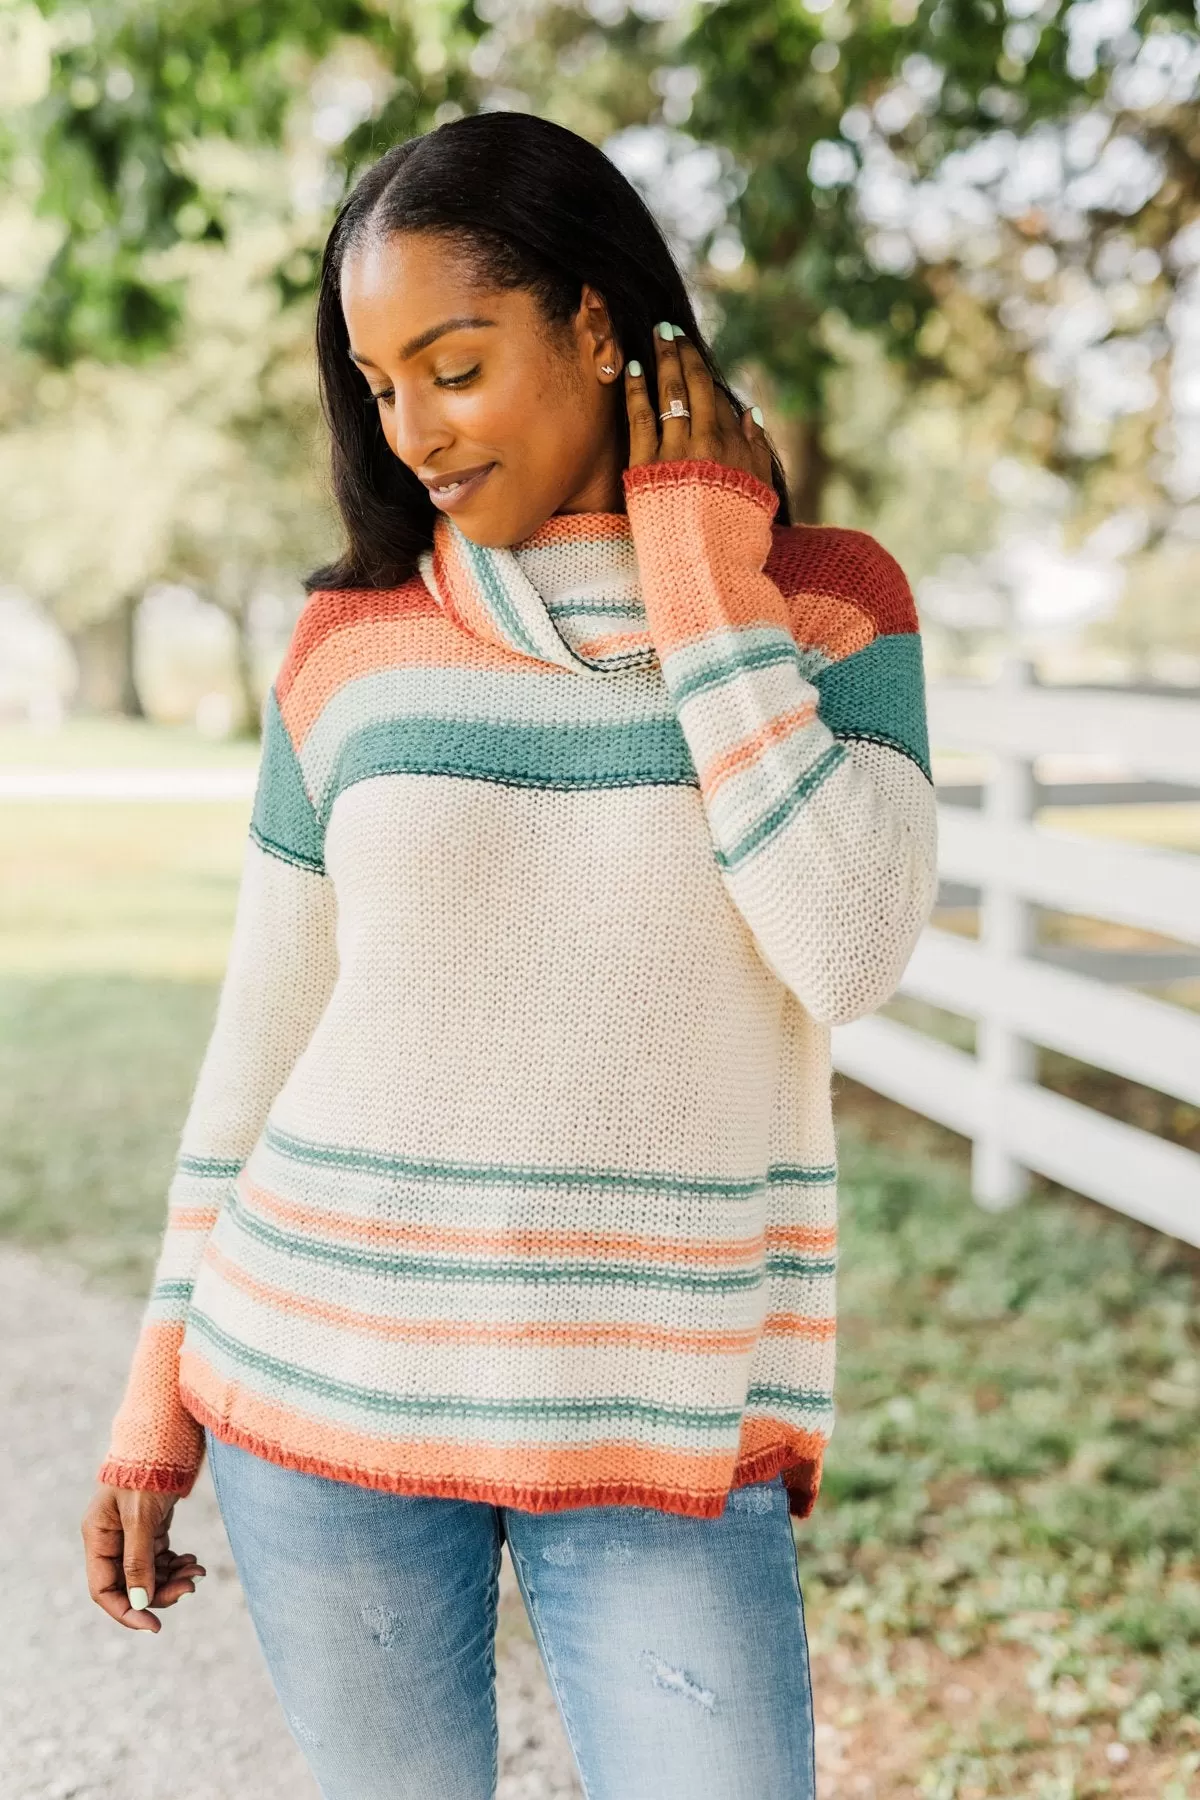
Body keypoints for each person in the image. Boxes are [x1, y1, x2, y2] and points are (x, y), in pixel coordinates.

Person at [81, 110, 938, 1800]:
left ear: (596, 326)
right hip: (320, 1392)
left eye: (452, 366)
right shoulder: (352, 641)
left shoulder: (826, 607)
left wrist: (703, 579)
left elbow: (847, 946)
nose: (408, 431)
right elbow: (266, 1031)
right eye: (380, 383)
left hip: (660, 1429)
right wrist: (152, 1392)